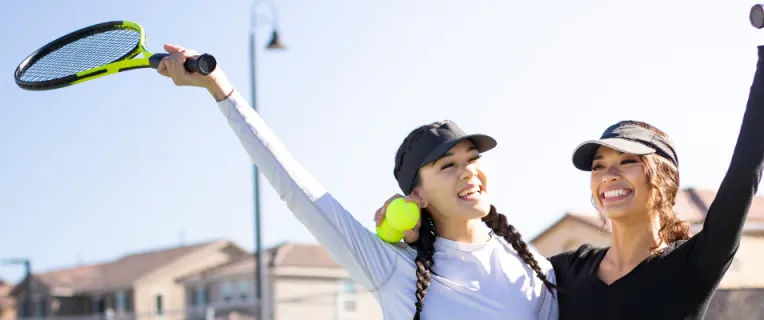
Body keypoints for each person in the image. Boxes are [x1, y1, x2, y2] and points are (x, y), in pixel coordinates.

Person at [155, 50, 558, 319]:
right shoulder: (392, 268)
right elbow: (299, 190)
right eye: (447, 166)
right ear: (415, 195)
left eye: (471, 159)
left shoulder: (533, 265)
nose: (468, 171)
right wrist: (221, 90)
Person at [549, 0, 764, 319]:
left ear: (664, 179)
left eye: (627, 161)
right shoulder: (562, 271)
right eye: (598, 165)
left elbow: (746, 167)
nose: (608, 175)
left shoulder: (693, 265)